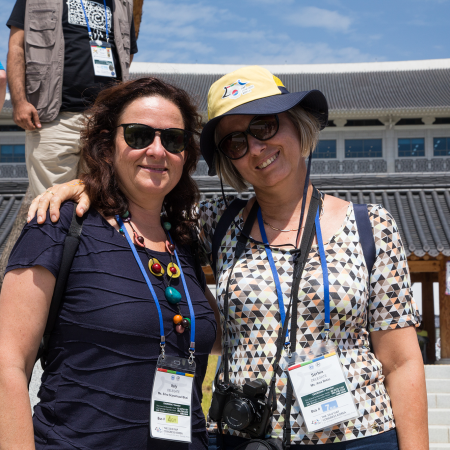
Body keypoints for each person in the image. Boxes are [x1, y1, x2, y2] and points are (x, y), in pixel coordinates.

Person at [28, 66, 428, 450]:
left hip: (358, 435)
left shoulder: (371, 226)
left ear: (298, 125)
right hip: (245, 436)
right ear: (227, 161)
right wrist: (88, 184)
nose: (255, 147)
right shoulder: (213, 223)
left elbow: (402, 362)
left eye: (264, 126)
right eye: (236, 143)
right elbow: (142, 200)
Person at [0, 77, 220, 449]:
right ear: (107, 145)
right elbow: (8, 364)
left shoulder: (184, 242)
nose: (157, 150)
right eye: (138, 135)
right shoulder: (59, 224)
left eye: (173, 139)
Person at [6, 0, 137, 196]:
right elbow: (16, 46)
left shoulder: (122, 4)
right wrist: (19, 102)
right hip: (52, 118)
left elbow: (126, 54)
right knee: (51, 202)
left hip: (104, 123)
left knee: (99, 201)